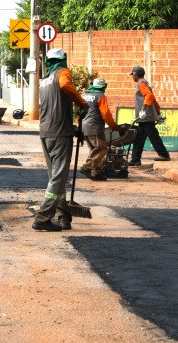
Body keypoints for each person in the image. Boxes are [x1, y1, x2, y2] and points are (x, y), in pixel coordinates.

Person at [32, 48, 89, 232]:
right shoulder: (62, 73)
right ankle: (42, 218)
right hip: (59, 134)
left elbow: (54, 108)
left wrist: (72, 128)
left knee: (56, 177)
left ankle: (63, 216)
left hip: (46, 132)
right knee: (58, 177)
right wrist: (82, 103)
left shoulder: (45, 80)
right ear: (62, 60)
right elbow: (65, 86)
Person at [80, 78, 124, 181]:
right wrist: (114, 126)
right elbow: (106, 114)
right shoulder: (100, 96)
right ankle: (87, 167)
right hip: (95, 127)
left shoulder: (85, 96)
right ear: (103, 87)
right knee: (102, 149)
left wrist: (80, 126)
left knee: (94, 150)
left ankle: (97, 173)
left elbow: (80, 111)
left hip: (85, 126)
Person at [129, 66, 170, 166]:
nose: (132, 77)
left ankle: (164, 155)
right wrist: (158, 113)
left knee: (152, 136)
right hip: (147, 116)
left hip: (146, 116)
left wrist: (143, 110)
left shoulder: (141, 83)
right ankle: (135, 159)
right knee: (140, 137)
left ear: (136, 75)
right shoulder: (145, 83)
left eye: (132, 75)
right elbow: (153, 99)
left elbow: (149, 96)